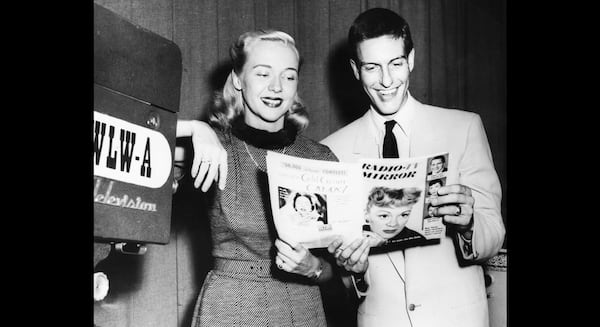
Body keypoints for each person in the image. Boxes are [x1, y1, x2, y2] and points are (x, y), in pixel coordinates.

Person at [320, 8, 505, 327]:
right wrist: (354, 269)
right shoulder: (332, 150)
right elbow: (341, 275)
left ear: (412, 60)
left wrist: (468, 225)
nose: (387, 80)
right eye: (372, 67)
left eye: (395, 63)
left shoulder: (462, 128)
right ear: (355, 70)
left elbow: (494, 235)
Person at [176, 30, 370, 327]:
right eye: (263, 73)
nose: (276, 87)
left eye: (288, 76)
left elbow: (340, 278)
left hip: (303, 307)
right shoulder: (213, 147)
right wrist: (194, 130)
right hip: (231, 306)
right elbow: (128, 131)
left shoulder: (320, 157)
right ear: (239, 79)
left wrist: (314, 268)